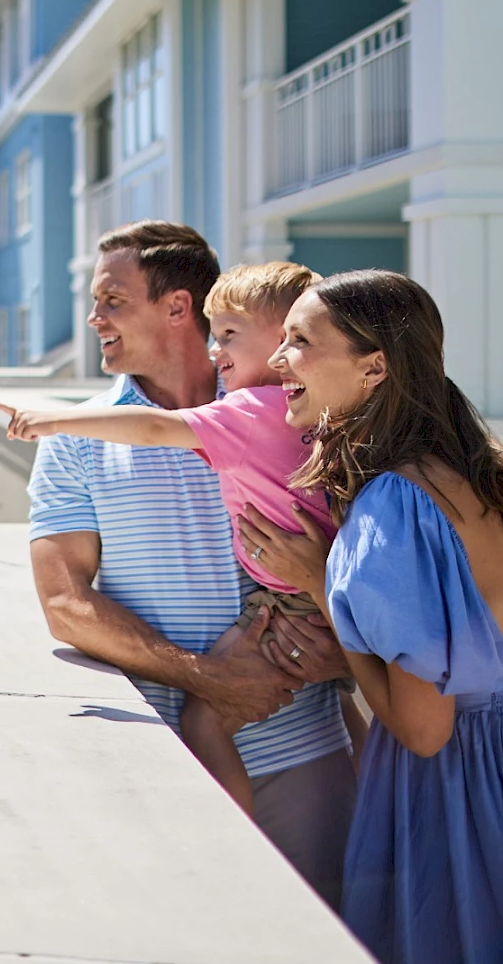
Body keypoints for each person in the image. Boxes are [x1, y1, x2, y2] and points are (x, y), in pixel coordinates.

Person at [238, 270, 503, 963]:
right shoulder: (495, 467)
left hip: (468, 783)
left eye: (300, 342)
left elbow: (426, 731)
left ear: (374, 367)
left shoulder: (396, 505)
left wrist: (323, 586)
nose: (277, 362)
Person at [28, 222, 354, 907]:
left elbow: (378, 565)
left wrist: (345, 654)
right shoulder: (78, 440)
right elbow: (64, 605)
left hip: (310, 758)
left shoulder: (307, 419)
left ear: (177, 306)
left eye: (112, 300)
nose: (94, 319)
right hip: (165, 765)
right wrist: (210, 679)